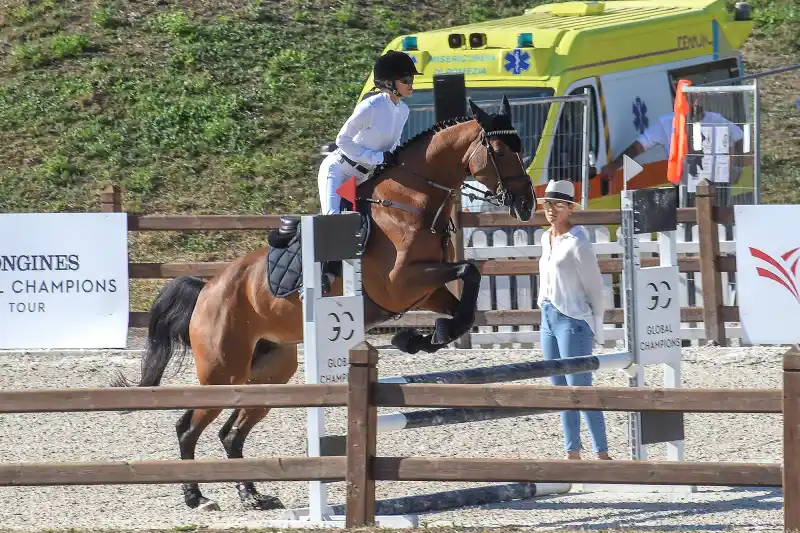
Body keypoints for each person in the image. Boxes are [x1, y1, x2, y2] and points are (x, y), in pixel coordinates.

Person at [537, 179, 611, 461]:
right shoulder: (545, 238)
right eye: (548, 204)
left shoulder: (579, 241)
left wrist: (597, 326)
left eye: (558, 205)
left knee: (579, 387)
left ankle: (601, 451)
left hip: (573, 319)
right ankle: (572, 451)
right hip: (548, 316)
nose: (551, 210)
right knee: (558, 389)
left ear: (569, 208)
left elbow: (595, 287)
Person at [317, 50, 421, 216]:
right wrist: (378, 158)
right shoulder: (370, 106)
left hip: (365, 176)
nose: (411, 84)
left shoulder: (403, 110)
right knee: (333, 219)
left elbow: (394, 143)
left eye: (412, 79)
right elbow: (342, 140)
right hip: (339, 171)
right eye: (406, 80)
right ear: (389, 83)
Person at [599, 94, 745, 206]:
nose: (694, 102)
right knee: (687, 233)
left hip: (716, 188)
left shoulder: (716, 120)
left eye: (697, 97)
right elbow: (638, 146)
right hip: (684, 189)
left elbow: (739, 137)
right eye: (689, 98)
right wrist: (614, 165)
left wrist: (737, 168)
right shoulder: (667, 123)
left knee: (720, 232)